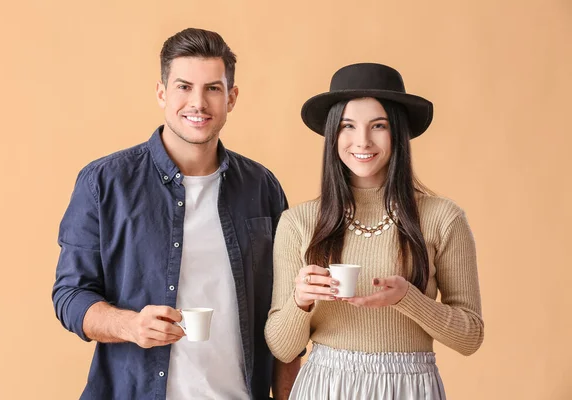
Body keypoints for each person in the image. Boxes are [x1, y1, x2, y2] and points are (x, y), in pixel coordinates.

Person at [52, 28, 300, 400]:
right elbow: (70, 295)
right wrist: (131, 325)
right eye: (184, 87)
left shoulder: (262, 187)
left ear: (231, 98)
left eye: (213, 88)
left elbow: (286, 314)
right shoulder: (104, 183)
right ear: (161, 93)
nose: (197, 103)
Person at [264, 63, 484, 399]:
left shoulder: (443, 217)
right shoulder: (299, 222)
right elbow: (281, 347)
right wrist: (300, 301)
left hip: (410, 387)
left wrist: (407, 298)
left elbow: (470, 336)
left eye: (378, 126)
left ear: (398, 132)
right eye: (348, 126)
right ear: (333, 134)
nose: (362, 140)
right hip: (325, 387)